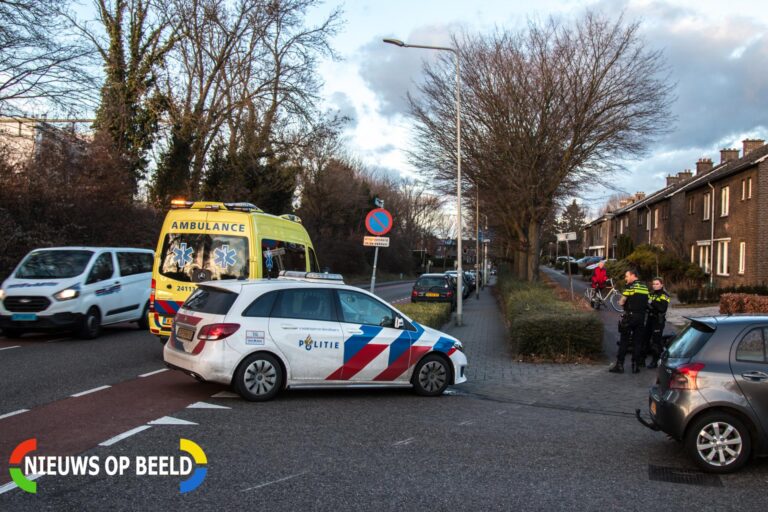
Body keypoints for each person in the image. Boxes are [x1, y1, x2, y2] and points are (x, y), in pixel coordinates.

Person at [609, 268, 649, 374]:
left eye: (627, 276)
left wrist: (620, 302)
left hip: (630, 317)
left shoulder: (629, 287)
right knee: (637, 342)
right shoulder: (645, 287)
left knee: (624, 341)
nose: (625, 278)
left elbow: (622, 302)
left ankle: (619, 365)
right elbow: (647, 301)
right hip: (641, 318)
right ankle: (635, 366)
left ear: (633, 275)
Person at [643, 277, 671, 369]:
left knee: (656, 342)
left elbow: (662, 308)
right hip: (650, 319)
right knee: (645, 339)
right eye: (653, 284)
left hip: (658, 321)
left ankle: (655, 361)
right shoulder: (651, 294)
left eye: (657, 284)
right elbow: (647, 306)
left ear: (662, 285)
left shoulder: (665, 295)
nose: (654, 286)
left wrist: (652, 303)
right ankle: (641, 360)